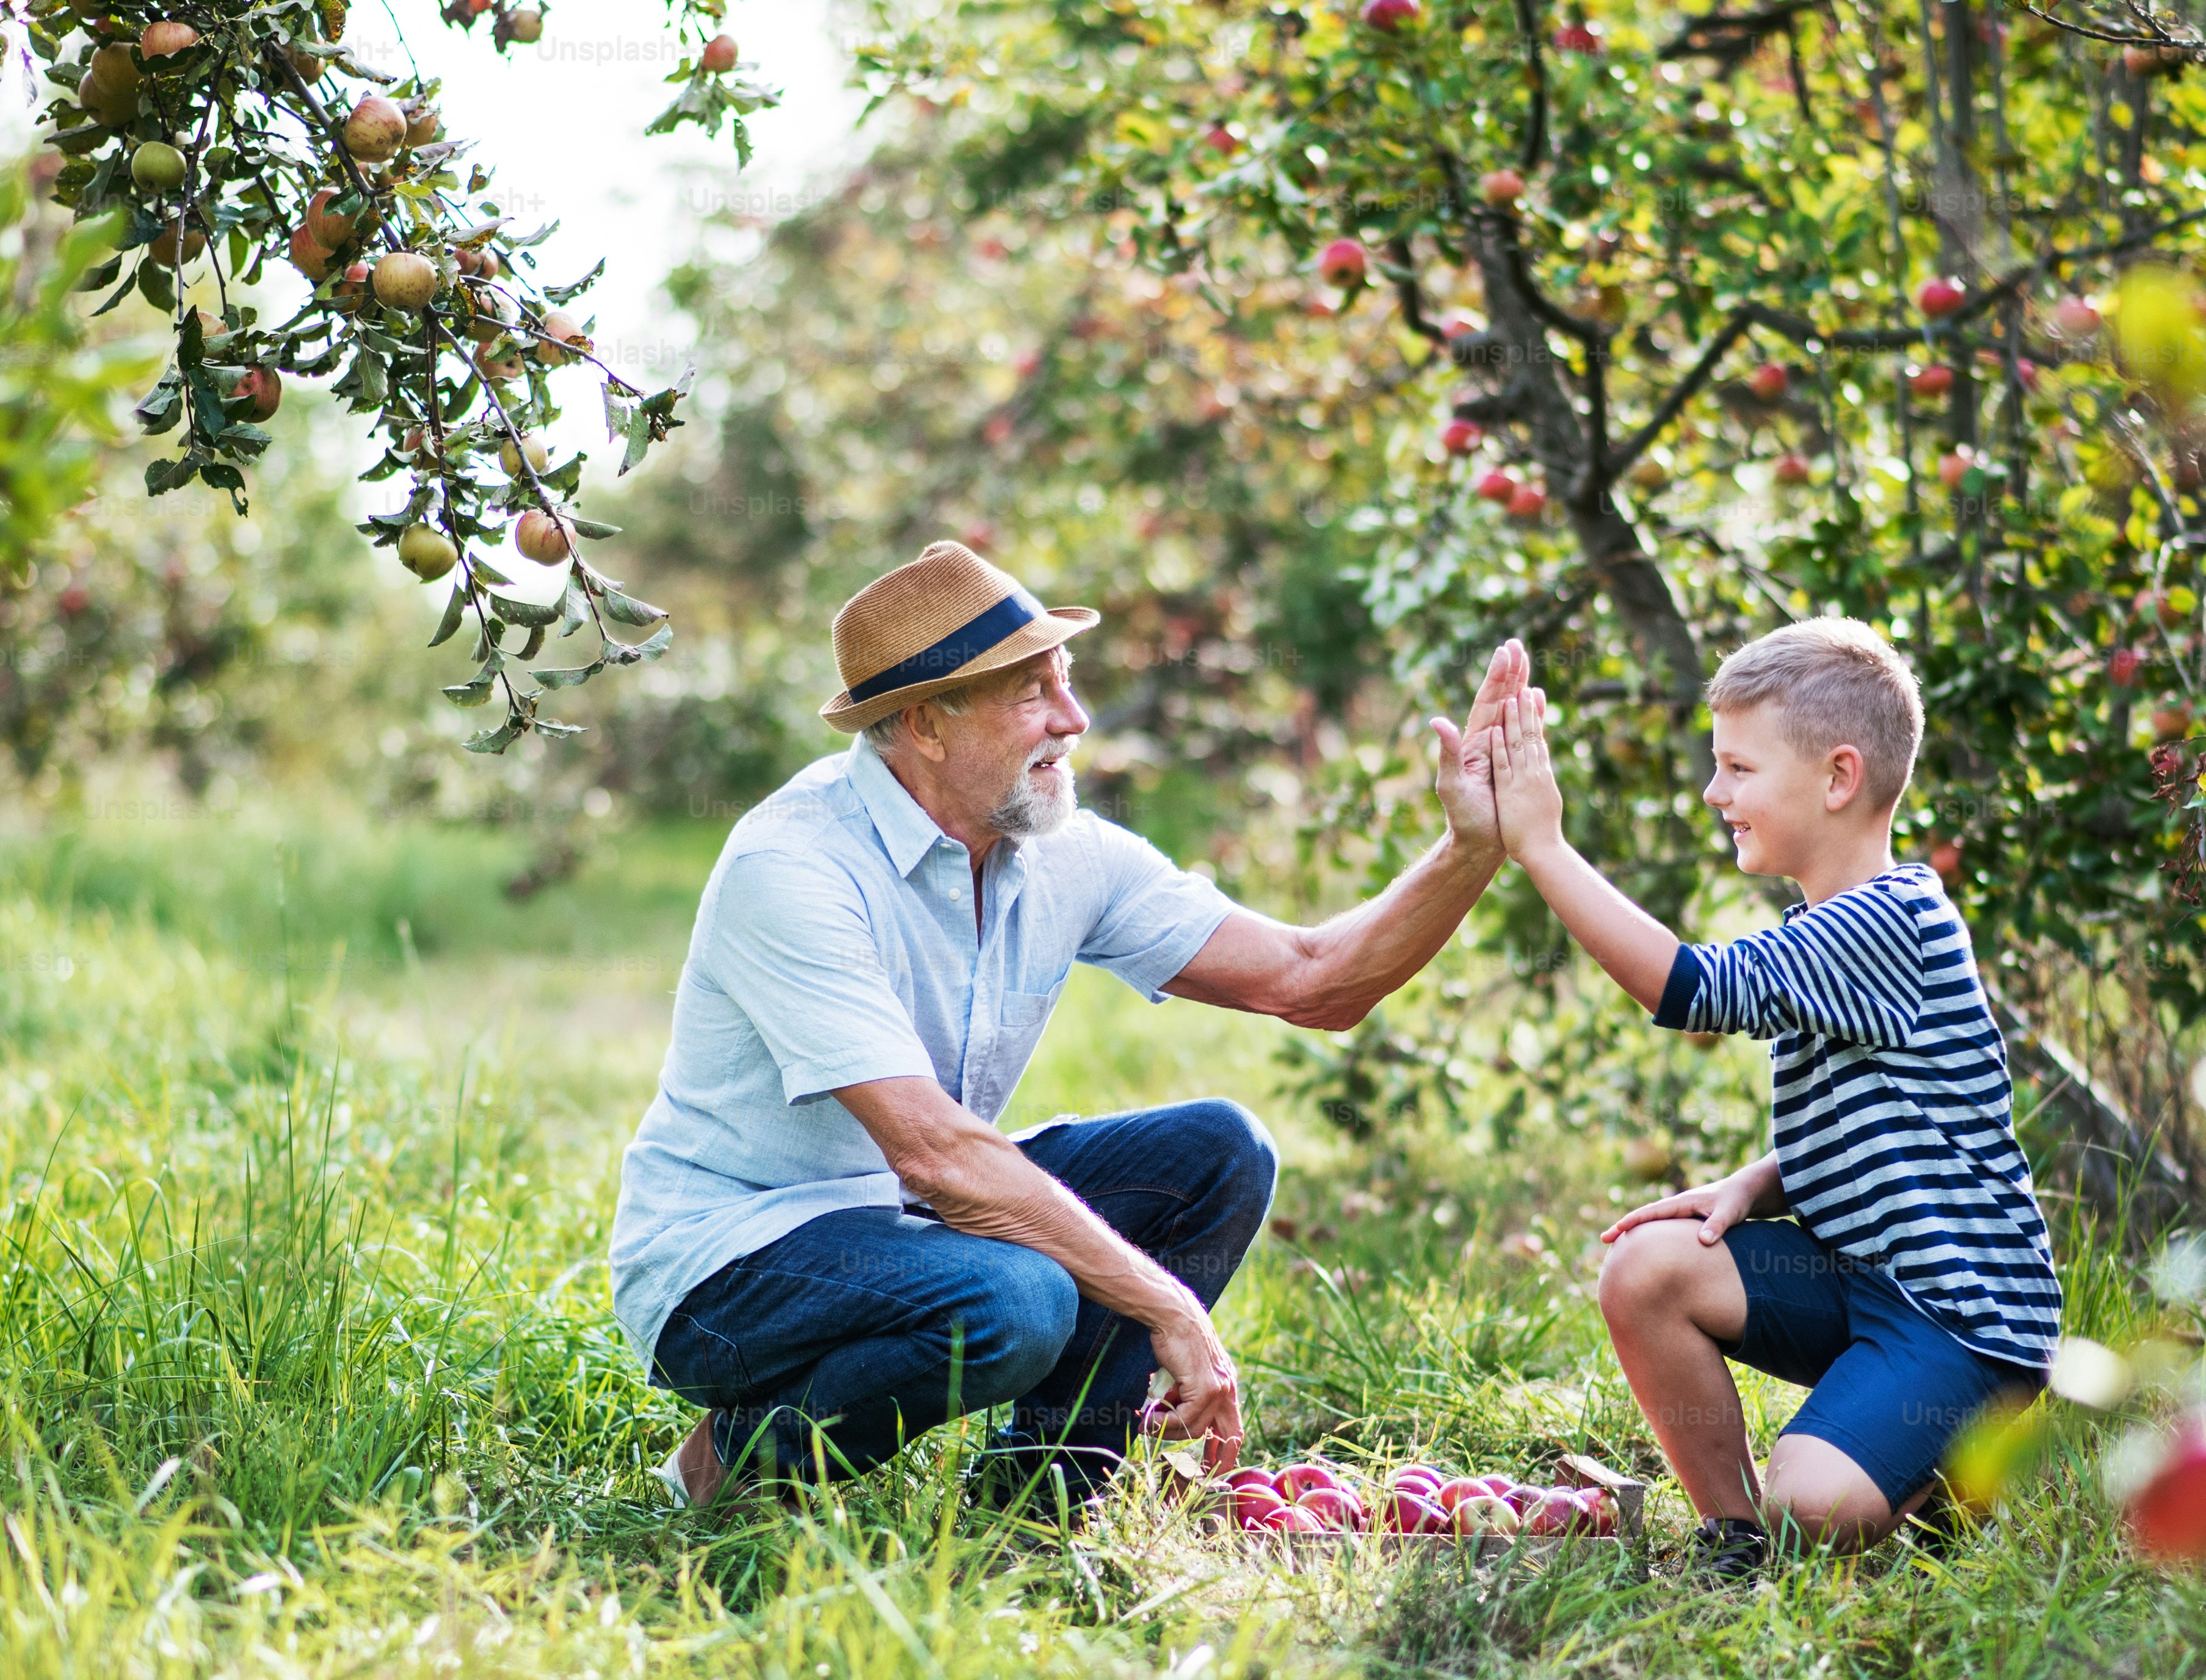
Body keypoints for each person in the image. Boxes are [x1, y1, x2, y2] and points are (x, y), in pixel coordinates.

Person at [613, 538, 1523, 1517]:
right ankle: (735, 1468)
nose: (1074, 719)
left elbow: (1316, 983)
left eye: (1067, 680)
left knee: (1219, 1152)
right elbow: (934, 1154)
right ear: (924, 724)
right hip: (730, 1267)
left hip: (906, 1222)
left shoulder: (1058, 851)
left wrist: (1469, 848)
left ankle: (1042, 1500)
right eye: (1031, 693)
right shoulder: (792, 867)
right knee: (1018, 1302)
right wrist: (1164, 1303)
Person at [1482, 619, 2061, 1580]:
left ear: (1837, 779)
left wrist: (1543, 846)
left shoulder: (1887, 920)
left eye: (1739, 769)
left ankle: (1952, 1465)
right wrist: (1754, 1184)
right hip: (1864, 1275)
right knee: (1646, 1271)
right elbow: (1898, 1125)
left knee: (1814, 1502)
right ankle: (1738, 1541)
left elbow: (1686, 989)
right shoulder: (1839, 921)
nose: (1716, 793)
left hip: (1961, 1315)